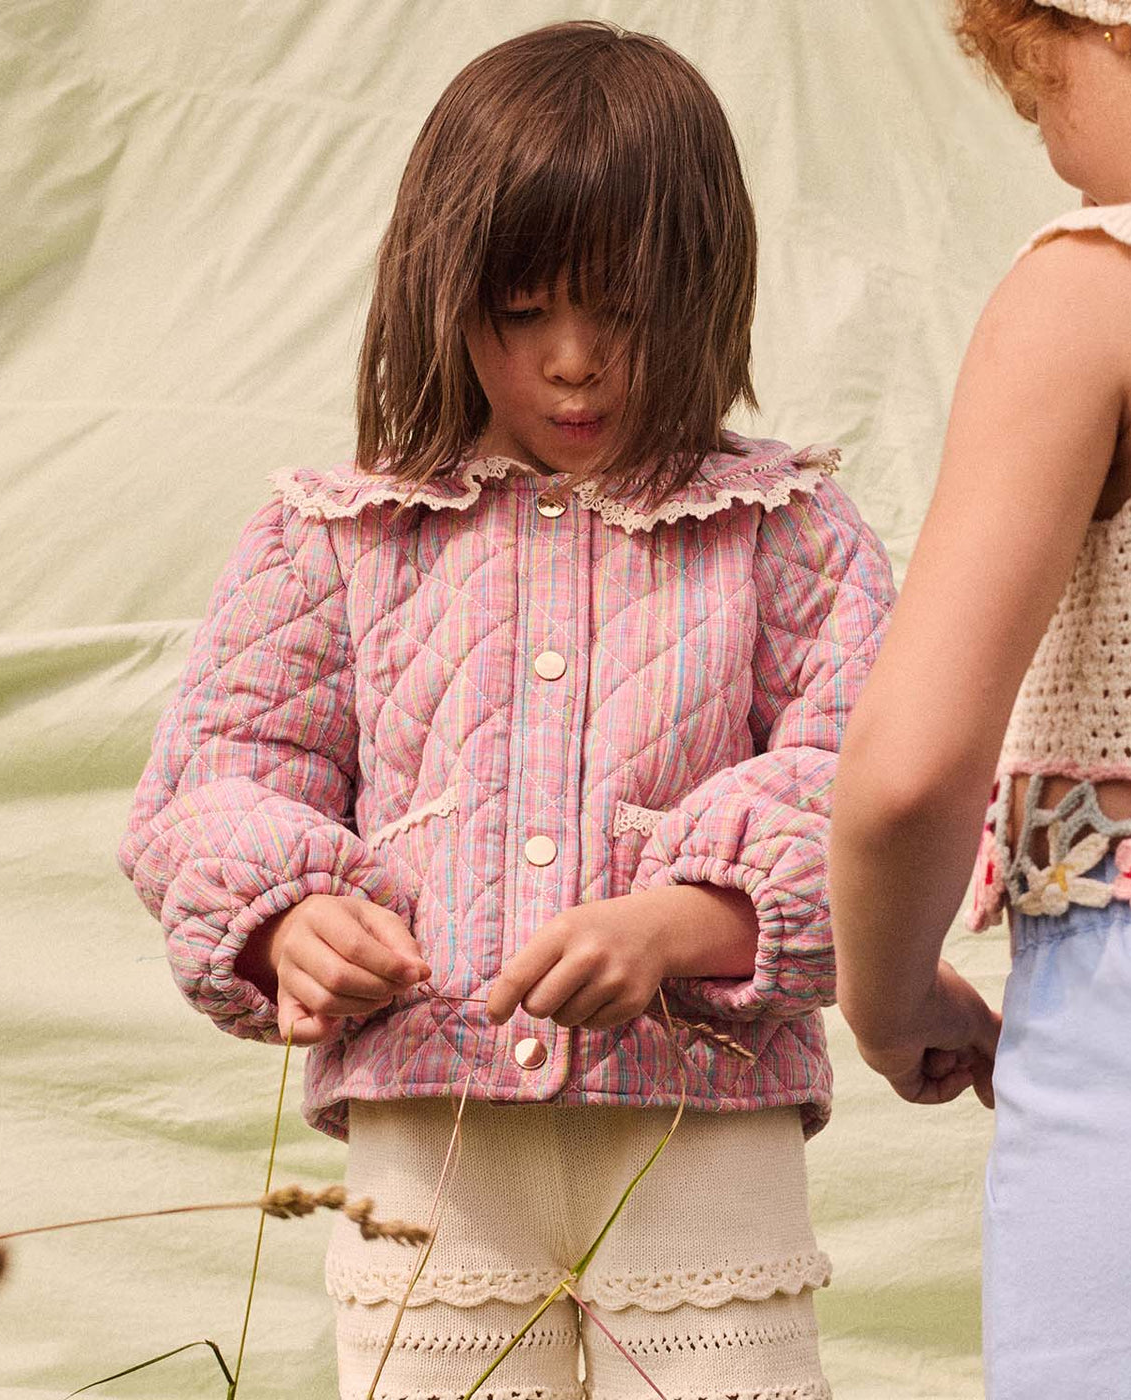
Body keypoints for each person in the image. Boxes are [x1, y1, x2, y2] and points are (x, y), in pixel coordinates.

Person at [120, 20, 893, 1398]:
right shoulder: (339, 536)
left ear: (706, 284)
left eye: (623, 310)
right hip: (431, 1141)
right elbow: (218, 782)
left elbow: (878, 785)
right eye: (523, 312)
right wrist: (291, 923)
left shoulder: (789, 532)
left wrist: (686, 923)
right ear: (444, 292)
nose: (575, 360)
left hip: (707, 1137)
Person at [829, 1, 1131, 1395]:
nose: (1060, 159)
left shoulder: (1110, 289)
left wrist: (891, 998)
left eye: (1043, 93)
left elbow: (910, 769)